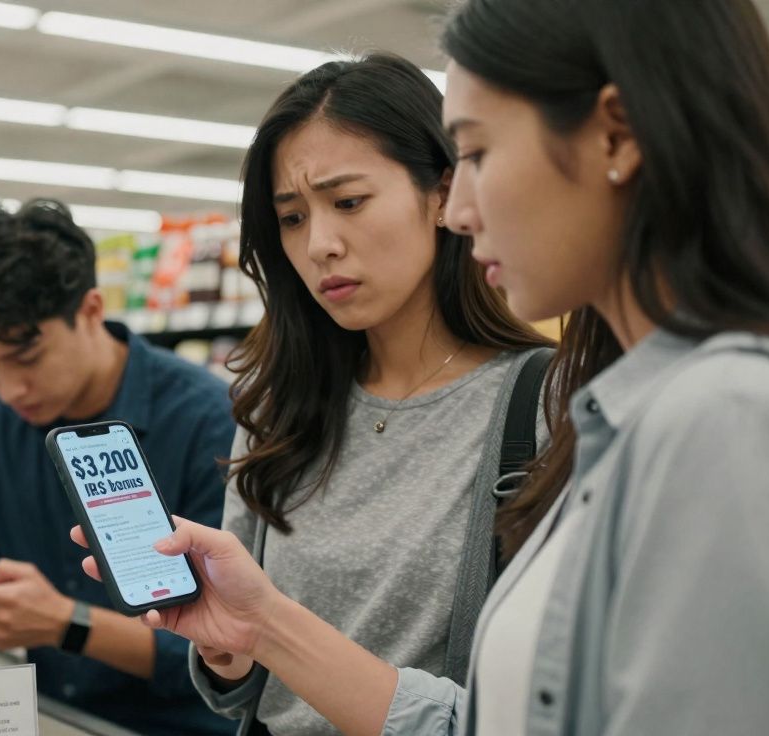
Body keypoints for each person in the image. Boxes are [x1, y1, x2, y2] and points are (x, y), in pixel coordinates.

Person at [72, 0, 769, 734]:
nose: (464, 208)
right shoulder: (285, 404)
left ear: (616, 135)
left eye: (477, 154)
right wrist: (249, 636)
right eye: (291, 218)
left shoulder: (687, 414)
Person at [183, 54, 553, 735]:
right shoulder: (275, 404)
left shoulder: (541, 403)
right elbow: (242, 687)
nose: (321, 244)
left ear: (441, 194)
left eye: (349, 202)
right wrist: (224, 652)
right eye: (292, 218)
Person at [0, 199, 236, 735]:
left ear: (90, 310)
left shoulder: (209, 422)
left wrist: (68, 624)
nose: (9, 387)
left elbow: (232, 651)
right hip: (53, 720)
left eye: (26, 358)